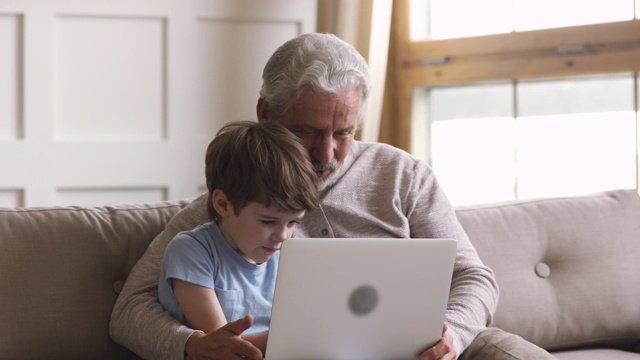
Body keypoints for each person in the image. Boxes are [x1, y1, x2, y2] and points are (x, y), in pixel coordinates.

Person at [110, 33, 553, 360]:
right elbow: (129, 309)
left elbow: (474, 278)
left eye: (343, 133)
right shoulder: (227, 213)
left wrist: (451, 336)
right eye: (308, 131)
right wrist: (192, 346)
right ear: (267, 113)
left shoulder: (403, 176)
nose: (327, 153)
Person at [157, 120, 318, 355]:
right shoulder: (191, 251)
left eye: (293, 222)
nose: (283, 235)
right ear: (223, 204)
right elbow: (224, 346)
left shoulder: (287, 256)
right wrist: (305, 338)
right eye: (268, 221)